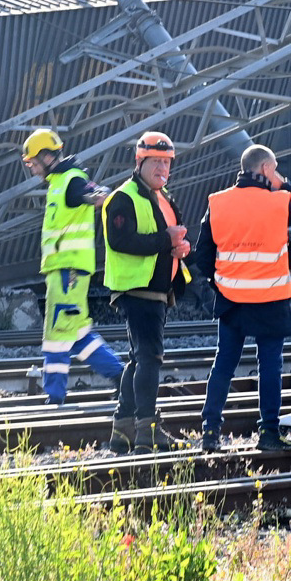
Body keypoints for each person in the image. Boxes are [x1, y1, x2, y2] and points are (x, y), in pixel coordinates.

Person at [195, 143, 291, 453]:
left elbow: (204, 255)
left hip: (231, 298)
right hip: (271, 298)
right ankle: (269, 433)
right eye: (273, 169)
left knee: (223, 364)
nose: (276, 175)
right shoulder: (281, 201)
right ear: (264, 170)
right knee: (269, 366)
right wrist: (286, 185)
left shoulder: (217, 202)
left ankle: (210, 432)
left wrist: (219, 280)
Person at [21, 127, 124, 405]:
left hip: (69, 272)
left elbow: (97, 192)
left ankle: (54, 396)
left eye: (32, 162)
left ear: (45, 156)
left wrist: (102, 195)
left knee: (56, 333)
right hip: (66, 271)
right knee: (77, 333)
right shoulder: (59, 183)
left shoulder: (71, 180)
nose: (32, 169)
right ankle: (123, 378)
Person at [101, 131, 191, 453]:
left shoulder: (164, 197)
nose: (162, 169)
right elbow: (121, 242)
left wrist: (179, 248)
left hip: (156, 291)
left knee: (138, 359)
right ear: (139, 162)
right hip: (137, 290)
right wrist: (166, 241)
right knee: (150, 359)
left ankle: (122, 430)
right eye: (156, 162)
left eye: (167, 163)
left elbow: (167, 238)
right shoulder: (123, 198)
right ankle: (147, 431)